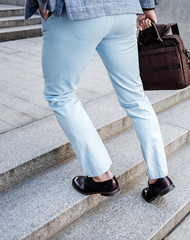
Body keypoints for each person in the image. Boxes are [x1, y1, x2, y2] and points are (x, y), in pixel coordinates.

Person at [24, 0, 175, 203]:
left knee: (61, 95)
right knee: (136, 98)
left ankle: (102, 176)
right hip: (124, 11)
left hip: (77, 11)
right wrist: (147, 7)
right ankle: (159, 177)